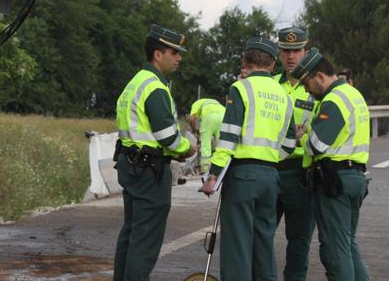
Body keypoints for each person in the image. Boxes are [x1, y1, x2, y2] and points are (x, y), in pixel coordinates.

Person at [202, 37, 296, 281]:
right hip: (271, 177)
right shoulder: (284, 96)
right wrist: (271, 157)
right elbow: (290, 143)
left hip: (242, 176)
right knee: (263, 245)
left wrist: (213, 174)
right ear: (273, 64)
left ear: (245, 61)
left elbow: (228, 136)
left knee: (237, 247)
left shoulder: (241, 88)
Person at [113, 24, 197, 281]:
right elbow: (167, 136)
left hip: (131, 164)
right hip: (149, 171)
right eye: (174, 52)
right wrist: (187, 148)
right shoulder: (156, 88)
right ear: (158, 54)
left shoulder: (135, 82)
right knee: (145, 241)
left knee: (131, 233)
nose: (179, 58)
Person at [291, 49, 370, 281]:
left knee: (335, 251)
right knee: (348, 245)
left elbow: (316, 145)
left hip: (335, 180)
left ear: (319, 76)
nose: (306, 89)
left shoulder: (333, 100)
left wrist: (303, 136)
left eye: (307, 82)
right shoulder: (353, 94)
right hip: (355, 177)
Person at [274, 27, 317, 281]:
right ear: (279, 53)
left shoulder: (315, 87)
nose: (291, 57)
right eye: (286, 51)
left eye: (296, 51)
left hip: (300, 172)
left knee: (299, 240)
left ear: (306, 52)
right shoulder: (269, 85)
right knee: (260, 235)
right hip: (270, 169)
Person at [189, 98, 225, 173]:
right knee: (222, 145)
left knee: (206, 146)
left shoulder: (196, 103)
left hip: (209, 117)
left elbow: (192, 119)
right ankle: (223, 168)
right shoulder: (215, 102)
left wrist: (194, 130)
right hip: (224, 116)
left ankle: (205, 170)